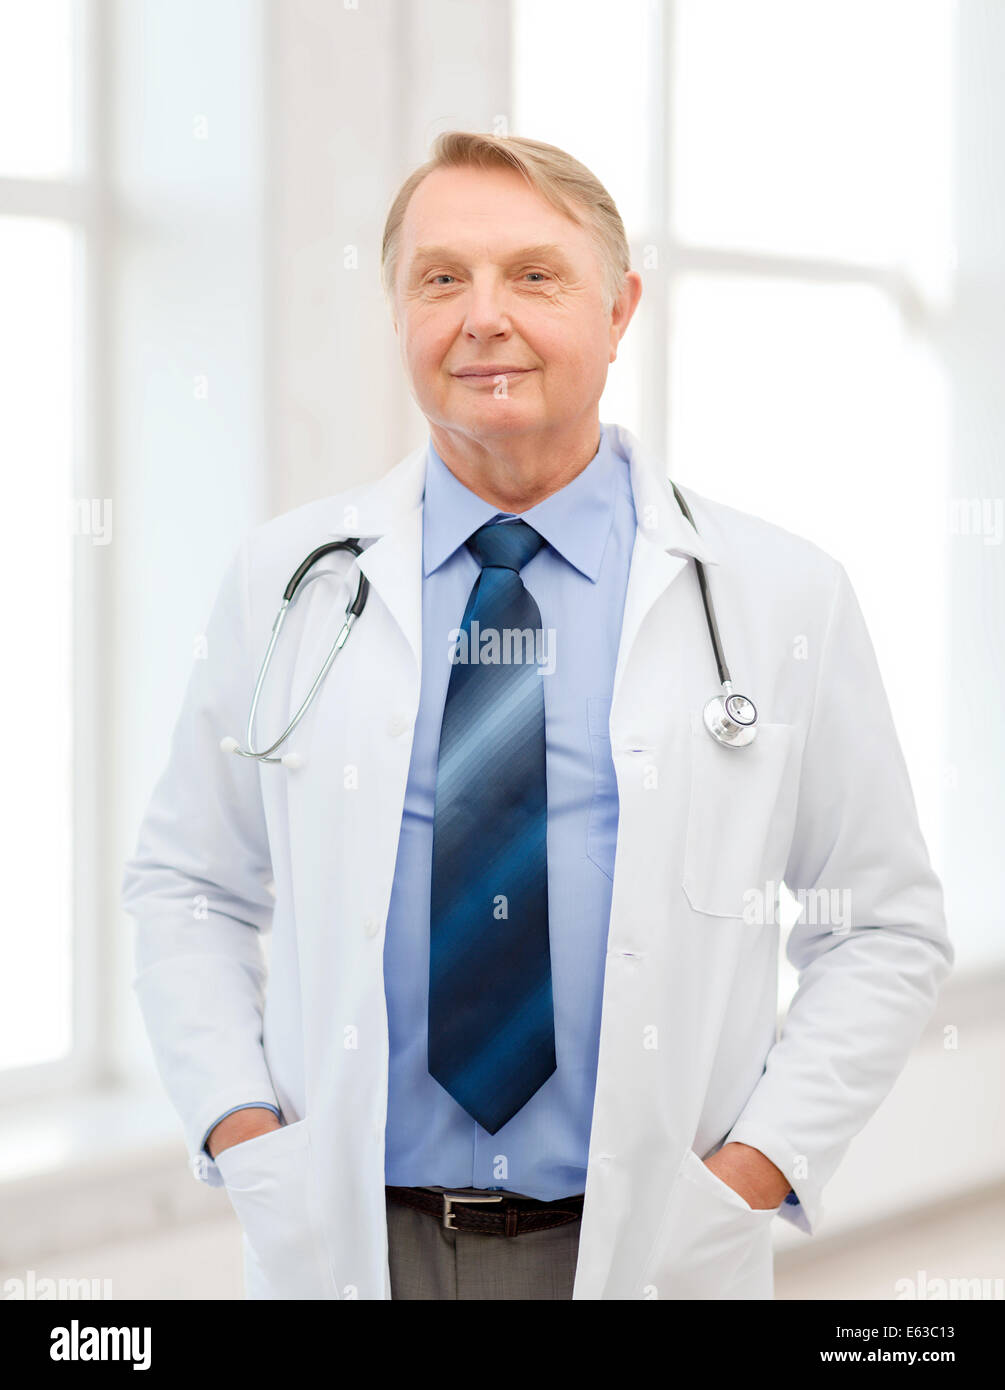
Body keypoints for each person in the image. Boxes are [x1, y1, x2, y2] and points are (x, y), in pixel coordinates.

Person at [121, 131, 953, 1300]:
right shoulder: (289, 580)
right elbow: (188, 886)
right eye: (441, 277)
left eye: (534, 275)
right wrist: (243, 1131)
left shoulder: (777, 593)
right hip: (356, 1236)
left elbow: (883, 927)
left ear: (619, 311)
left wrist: (754, 1172)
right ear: (398, 310)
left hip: (646, 1243)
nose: (482, 316)